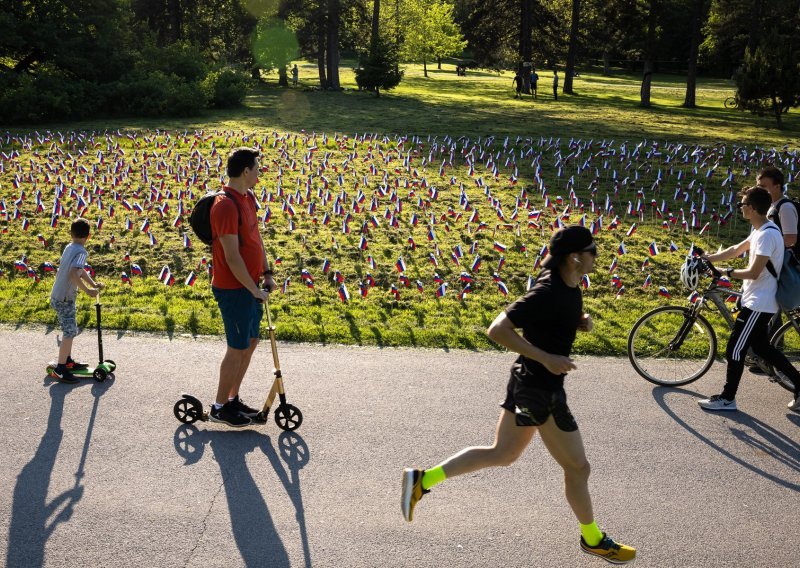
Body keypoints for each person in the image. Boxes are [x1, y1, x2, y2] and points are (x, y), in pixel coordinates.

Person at [401, 225, 637, 565]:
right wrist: (547, 358)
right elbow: (497, 329)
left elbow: (548, 323)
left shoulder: (570, 286)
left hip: (534, 385)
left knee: (504, 453)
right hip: (539, 389)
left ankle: (422, 480)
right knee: (578, 467)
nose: (596, 256)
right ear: (574, 257)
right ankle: (593, 539)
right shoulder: (549, 290)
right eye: (592, 251)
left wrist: (576, 322)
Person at [698, 185, 800, 412]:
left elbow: (754, 272)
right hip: (755, 299)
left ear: (752, 208)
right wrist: (710, 258)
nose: (740, 208)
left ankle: (727, 398)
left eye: (742, 204)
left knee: (735, 349)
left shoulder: (766, 235)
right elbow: (737, 249)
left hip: (759, 304)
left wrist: (726, 272)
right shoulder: (760, 230)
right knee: (763, 349)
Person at [209, 148, 277, 427]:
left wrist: (267, 272)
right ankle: (218, 407)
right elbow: (232, 257)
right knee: (236, 348)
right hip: (234, 290)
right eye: (257, 168)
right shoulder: (224, 205)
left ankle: (232, 400)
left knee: (250, 343)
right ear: (246, 171)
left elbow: (255, 239)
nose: (260, 172)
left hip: (251, 288)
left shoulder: (248, 198)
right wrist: (252, 289)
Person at [49, 218, 103, 383]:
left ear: (71, 233)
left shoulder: (69, 247)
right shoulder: (82, 252)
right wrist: (87, 291)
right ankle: (60, 369)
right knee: (70, 331)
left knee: (70, 330)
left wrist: (93, 283)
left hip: (59, 295)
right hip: (64, 298)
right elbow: (73, 273)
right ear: (89, 236)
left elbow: (79, 271)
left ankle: (68, 362)